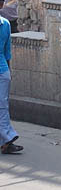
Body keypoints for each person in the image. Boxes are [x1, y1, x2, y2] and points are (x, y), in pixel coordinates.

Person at [0, 12, 21, 154]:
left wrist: (8, 71)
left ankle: (7, 140)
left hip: (2, 70)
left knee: (3, 105)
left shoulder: (5, 24)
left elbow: (7, 51)